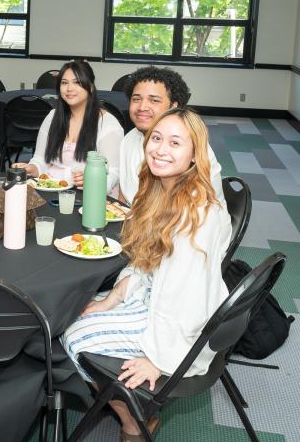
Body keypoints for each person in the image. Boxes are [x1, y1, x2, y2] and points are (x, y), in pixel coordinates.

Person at [62, 108, 231, 442]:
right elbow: (144, 259)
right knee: (66, 310)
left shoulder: (197, 214)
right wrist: (112, 299)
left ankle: (132, 419)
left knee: (71, 336)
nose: (160, 149)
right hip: (153, 294)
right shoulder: (161, 189)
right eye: (156, 138)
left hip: (179, 321)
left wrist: (158, 356)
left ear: (195, 155)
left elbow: (189, 297)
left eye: (174, 143)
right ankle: (130, 403)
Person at [119, 66, 224, 204]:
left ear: (173, 106)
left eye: (154, 100)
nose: (142, 107)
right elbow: (124, 193)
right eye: (136, 99)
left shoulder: (189, 147)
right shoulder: (130, 138)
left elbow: (190, 213)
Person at [13, 61, 124, 193]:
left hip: (88, 196)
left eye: (77, 82)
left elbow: (113, 173)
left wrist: (93, 181)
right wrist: (31, 167)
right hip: (52, 191)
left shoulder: (108, 124)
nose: (69, 89)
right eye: (64, 83)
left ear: (91, 87)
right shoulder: (53, 117)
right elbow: (40, 160)